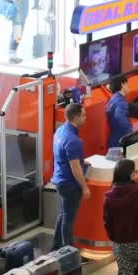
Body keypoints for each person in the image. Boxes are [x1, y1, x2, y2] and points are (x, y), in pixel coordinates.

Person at [51, 103, 91, 255]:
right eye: (84, 116)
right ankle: (67, 252)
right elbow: (75, 168)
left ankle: (56, 246)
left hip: (59, 180)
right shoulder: (74, 140)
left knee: (62, 214)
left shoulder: (60, 131)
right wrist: (84, 187)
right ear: (76, 118)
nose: (85, 119)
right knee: (69, 219)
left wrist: (81, 160)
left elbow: (65, 156)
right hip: (69, 185)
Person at [107, 75, 134, 148]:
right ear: (122, 85)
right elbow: (119, 116)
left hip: (114, 141)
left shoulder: (113, 100)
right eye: (126, 84)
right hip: (121, 142)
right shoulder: (121, 101)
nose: (128, 86)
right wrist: (131, 135)